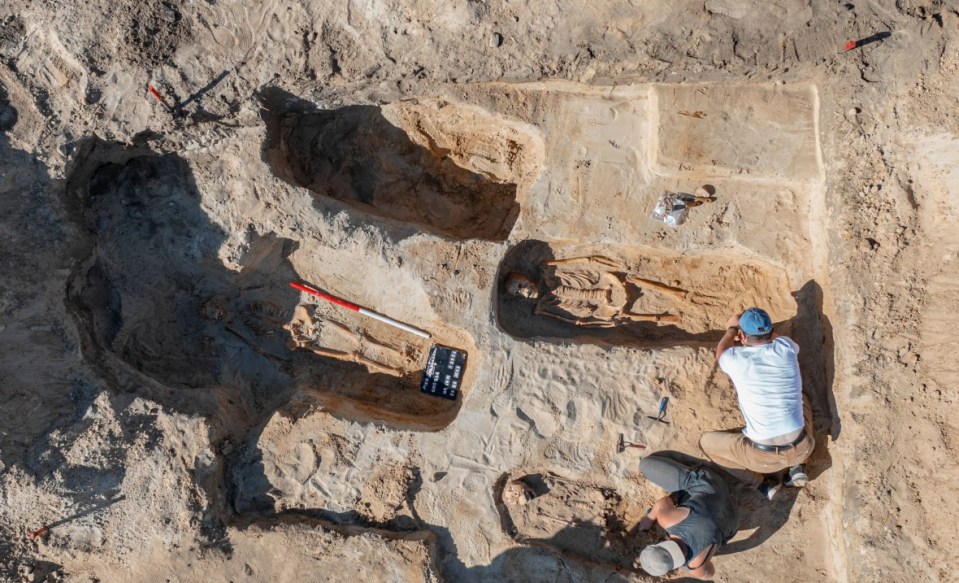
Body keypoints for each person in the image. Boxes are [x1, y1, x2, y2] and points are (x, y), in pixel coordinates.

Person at [700, 307, 814, 499]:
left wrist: (730, 330)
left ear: (742, 337)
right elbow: (774, 337)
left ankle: (763, 484)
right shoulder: (785, 347)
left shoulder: (734, 359)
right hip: (804, 446)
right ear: (771, 333)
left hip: (761, 458)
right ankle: (797, 468)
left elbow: (721, 352)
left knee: (706, 443)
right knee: (801, 399)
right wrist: (748, 332)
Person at [636, 453, 739, 579]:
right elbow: (664, 502)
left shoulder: (697, 566)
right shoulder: (668, 521)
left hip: (732, 517)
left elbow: (710, 573)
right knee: (646, 465)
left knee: (687, 567)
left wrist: (703, 557)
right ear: (658, 544)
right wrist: (650, 517)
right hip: (713, 484)